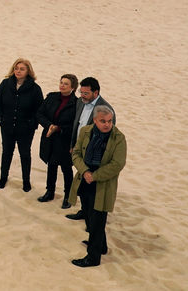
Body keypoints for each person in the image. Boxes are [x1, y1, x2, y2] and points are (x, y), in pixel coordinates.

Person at [67, 106, 126, 267]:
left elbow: (117, 164)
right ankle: (101, 246)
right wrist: (85, 171)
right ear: (95, 120)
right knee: (88, 215)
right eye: (103, 121)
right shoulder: (86, 131)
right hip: (84, 180)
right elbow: (76, 154)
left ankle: (93, 258)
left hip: (102, 184)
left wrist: (95, 176)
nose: (107, 125)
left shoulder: (118, 138)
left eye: (109, 121)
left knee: (98, 219)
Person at [65, 77, 114, 217]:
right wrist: (73, 145)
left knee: (92, 188)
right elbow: (77, 124)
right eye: (81, 92)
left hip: (94, 154)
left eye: (86, 93)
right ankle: (84, 211)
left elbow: (107, 135)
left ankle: (92, 218)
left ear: (96, 92)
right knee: (82, 185)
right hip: (79, 148)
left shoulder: (106, 109)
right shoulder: (80, 102)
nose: (82, 96)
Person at [0, 58, 43, 191]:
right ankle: (3, 177)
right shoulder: (5, 84)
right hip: (7, 126)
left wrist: (32, 123)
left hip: (25, 129)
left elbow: (39, 109)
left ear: (28, 71)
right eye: (16, 68)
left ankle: (26, 181)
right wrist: (0, 118)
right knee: (7, 153)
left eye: (22, 69)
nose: (18, 71)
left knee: (25, 154)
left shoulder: (35, 89)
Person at [36, 73, 79, 207]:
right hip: (50, 137)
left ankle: (68, 196)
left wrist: (59, 129)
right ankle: (50, 192)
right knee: (52, 165)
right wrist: (49, 126)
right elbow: (39, 113)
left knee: (66, 168)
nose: (62, 85)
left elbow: (75, 124)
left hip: (65, 139)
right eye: (61, 82)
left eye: (66, 84)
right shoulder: (52, 97)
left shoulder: (77, 104)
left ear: (73, 87)